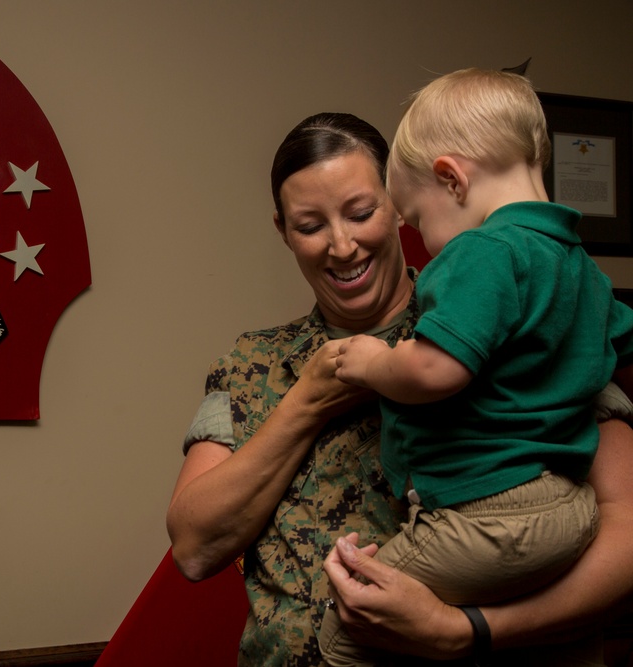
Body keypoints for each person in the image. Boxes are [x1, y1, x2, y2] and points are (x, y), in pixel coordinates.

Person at [165, 111, 633, 666]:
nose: (342, 246)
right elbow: (194, 548)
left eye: (361, 213)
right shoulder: (252, 363)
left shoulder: (504, 311)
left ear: (396, 204)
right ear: (283, 231)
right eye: (311, 226)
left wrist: (462, 630)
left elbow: (627, 529)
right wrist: (307, 402)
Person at [319, 68, 633, 667]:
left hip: (488, 517)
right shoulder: (582, 270)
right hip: (571, 511)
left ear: (451, 179)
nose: (425, 241)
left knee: (346, 628)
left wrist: (374, 361)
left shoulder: (483, 251)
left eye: (416, 219)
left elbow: (438, 371)